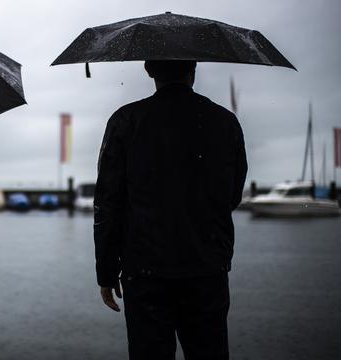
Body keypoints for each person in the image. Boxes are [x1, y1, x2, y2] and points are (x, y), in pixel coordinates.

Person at [94, 60, 247, 359]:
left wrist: (107, 272)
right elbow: (233, 194)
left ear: (149, 71)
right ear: (193, 70)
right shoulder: (224, 121)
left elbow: (108, 202)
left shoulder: (126, 120)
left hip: (145, 270)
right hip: (207, 268)